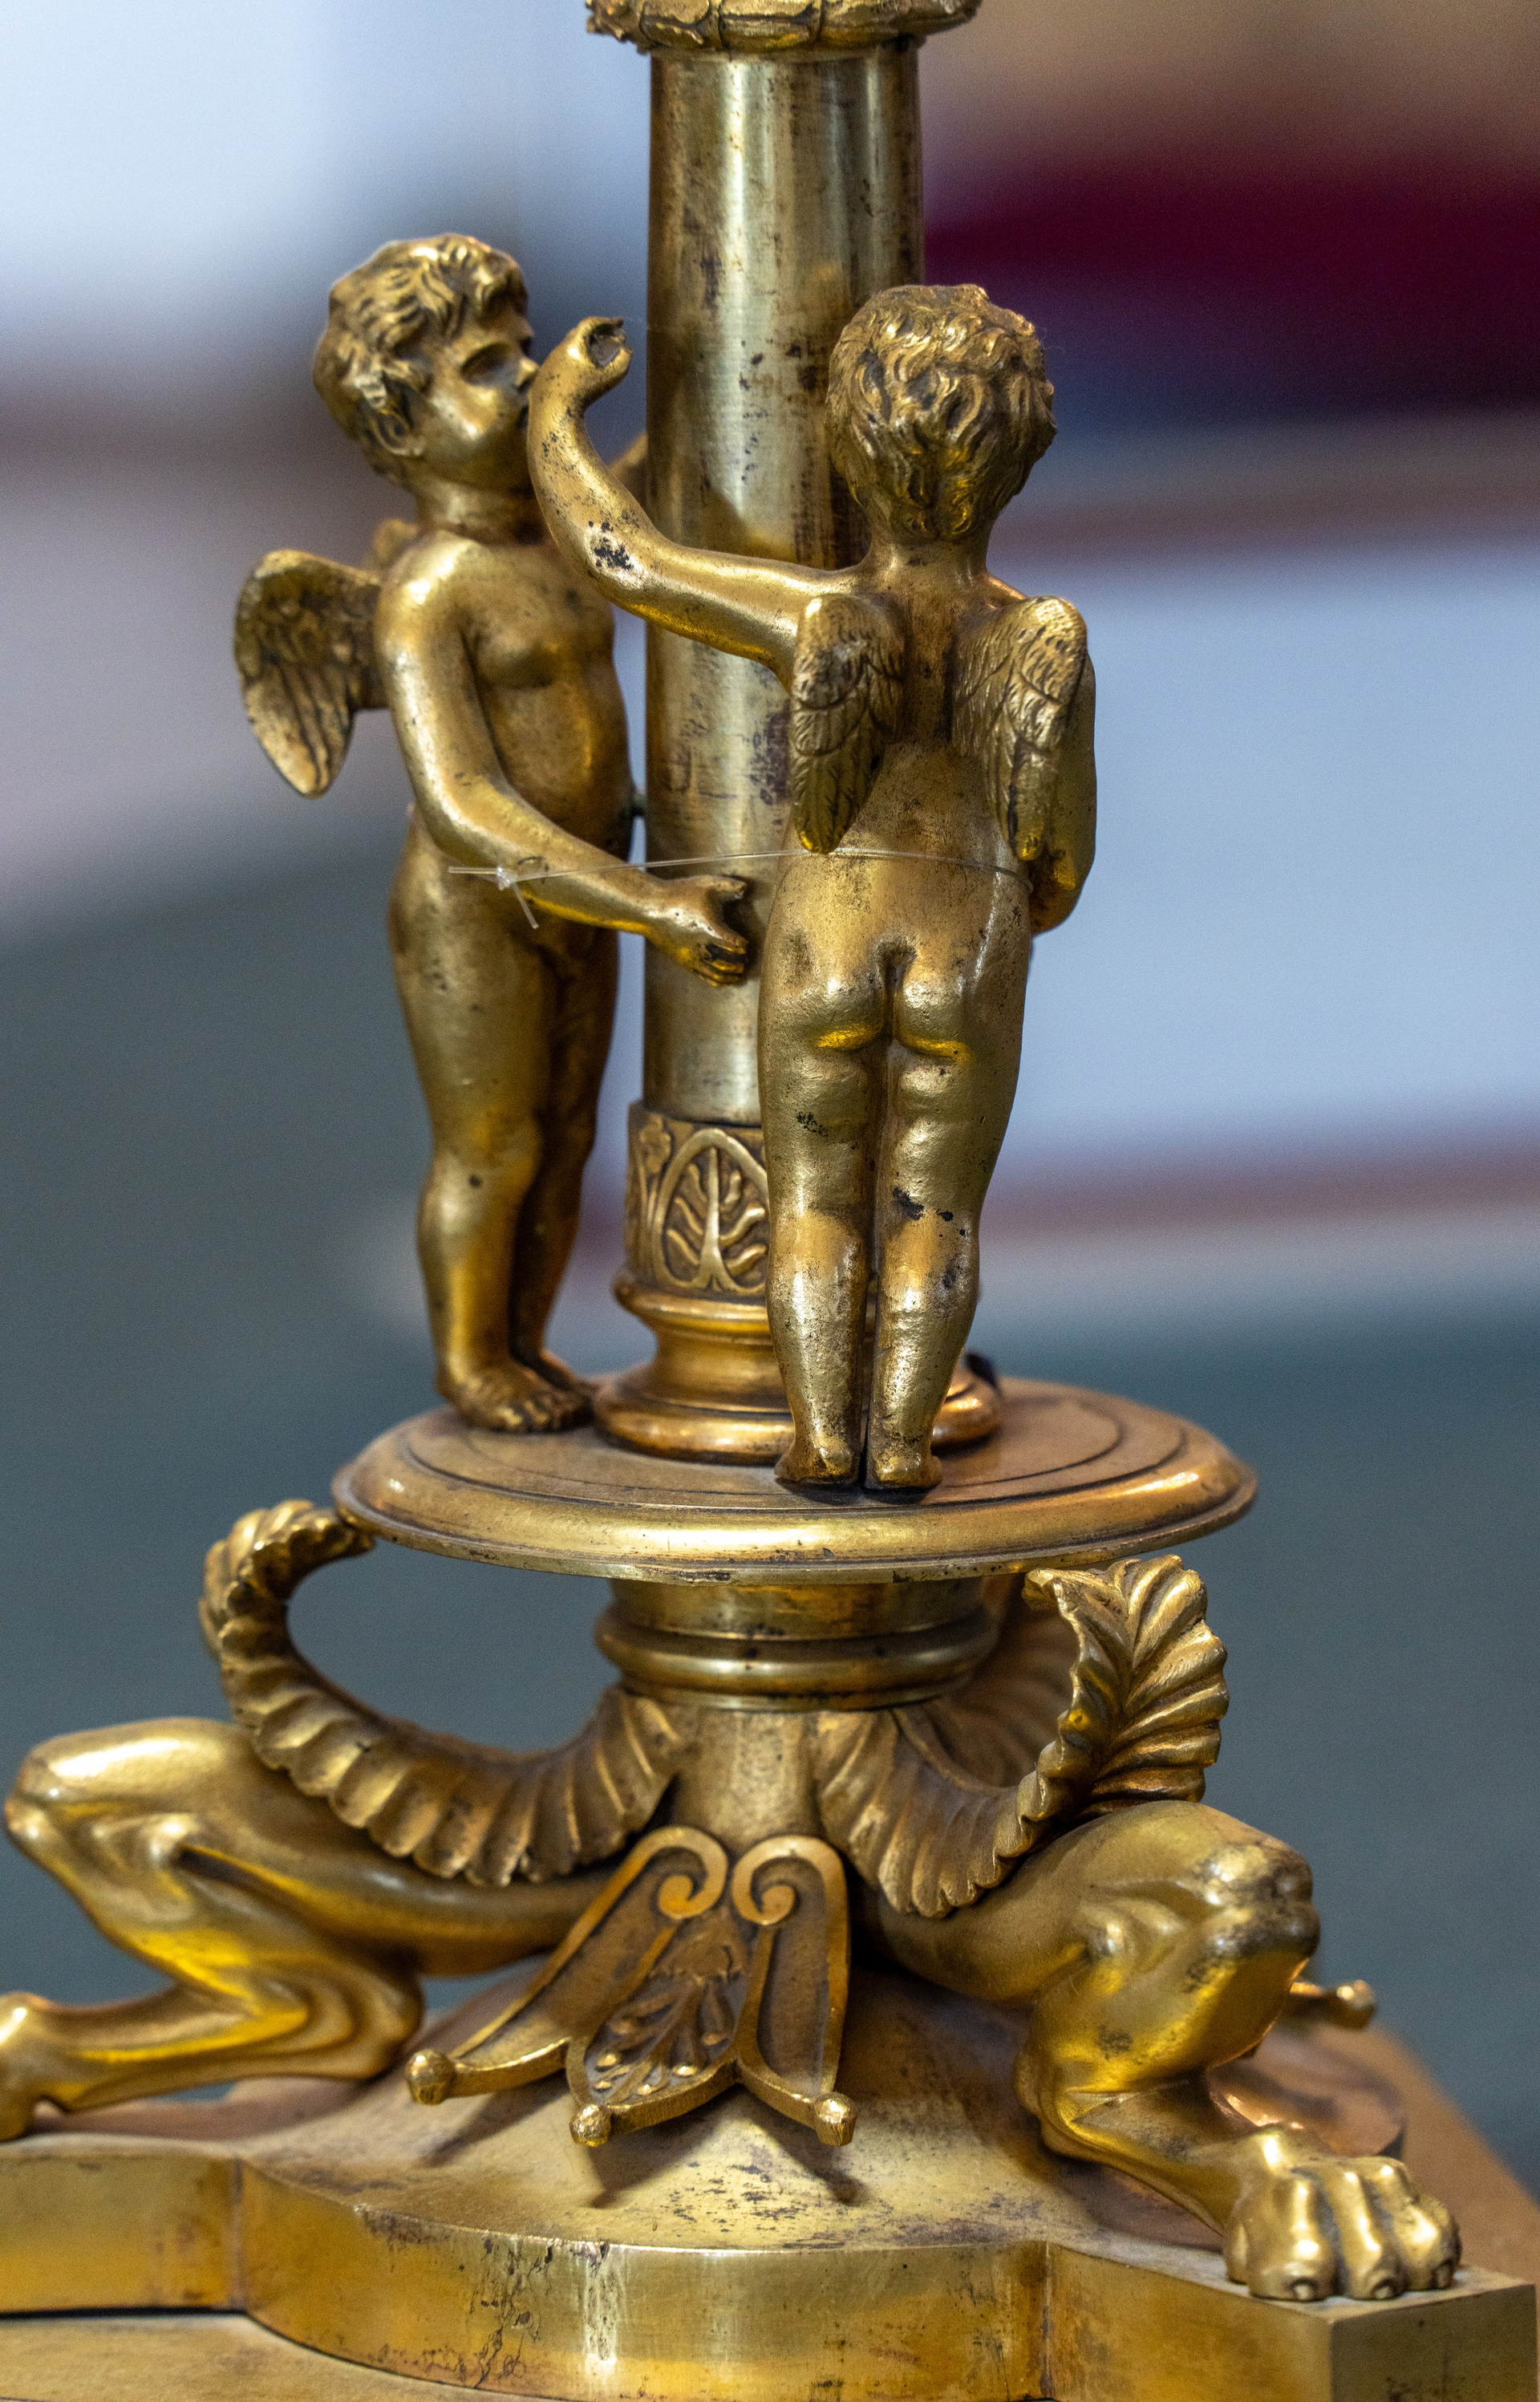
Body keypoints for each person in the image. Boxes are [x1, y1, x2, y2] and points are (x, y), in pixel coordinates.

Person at [527, 283, 1093, 1488]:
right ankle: (904, 1443)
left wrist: (556, 417)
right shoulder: (1038, 639)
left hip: (825, 931)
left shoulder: (822, 614)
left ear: (846, 445)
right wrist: (1006, 905)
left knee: (817, 1203)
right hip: (967, 937)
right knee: (935, 1212)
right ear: (1027, 451)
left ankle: (821, 1437)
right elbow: (1060, 863)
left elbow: (627, 559)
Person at [239, 237, 748, 1431]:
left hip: (583, 884)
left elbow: (642, 494)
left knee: (569, 1138)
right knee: (495, 1146)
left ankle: (529, 1344)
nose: (523, 378)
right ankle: (471, 1360)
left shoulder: (558, 535)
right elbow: (465, 807)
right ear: (400, 425)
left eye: (521, 351)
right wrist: (650, 901)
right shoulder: (434, 590)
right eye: (483, 368)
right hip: (477, 907)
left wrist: (699, 373)